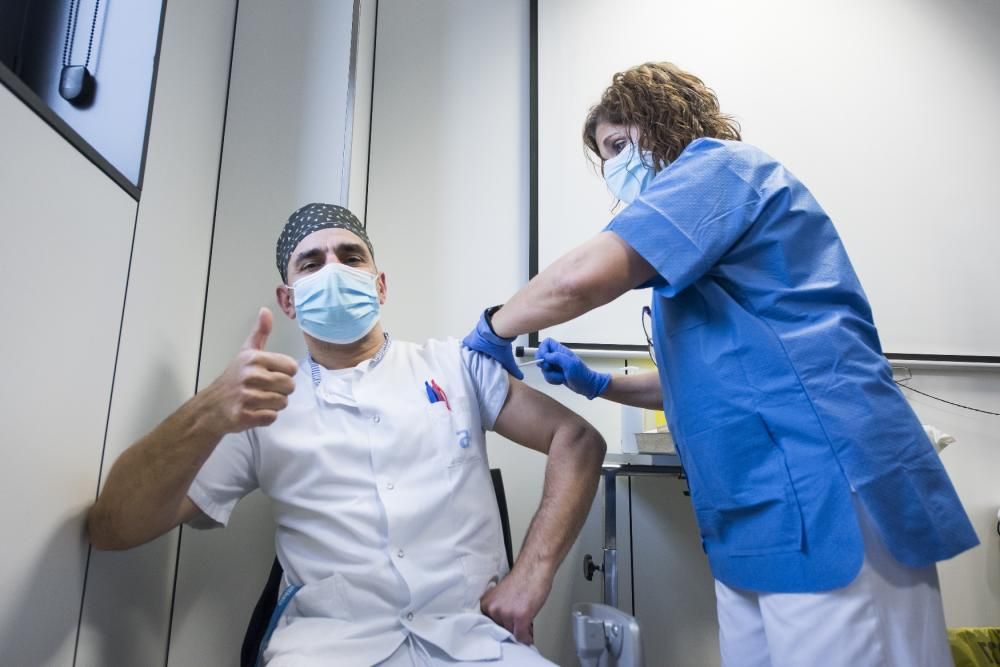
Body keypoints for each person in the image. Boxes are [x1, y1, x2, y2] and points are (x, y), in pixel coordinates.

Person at [464, 62, 978, 666]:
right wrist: (596, 382)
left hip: (825, 478)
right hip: (755, 506)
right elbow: (711, 380)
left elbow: (581, 279)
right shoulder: (694, 251)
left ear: (661, 123)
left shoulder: (720, 170)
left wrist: (494, 326)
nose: (614, 168)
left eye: (619, 145)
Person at [87, 203, 606, 667]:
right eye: (311, 263)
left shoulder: (455, 366)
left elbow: (578, 440)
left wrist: (533, 574)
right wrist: (208, 410)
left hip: (474, 642)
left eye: (350, 256)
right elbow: (116, 528)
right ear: (288, 301)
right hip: (327, 648)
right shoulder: (260, 407)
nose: (333, 270)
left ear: (379, 284)